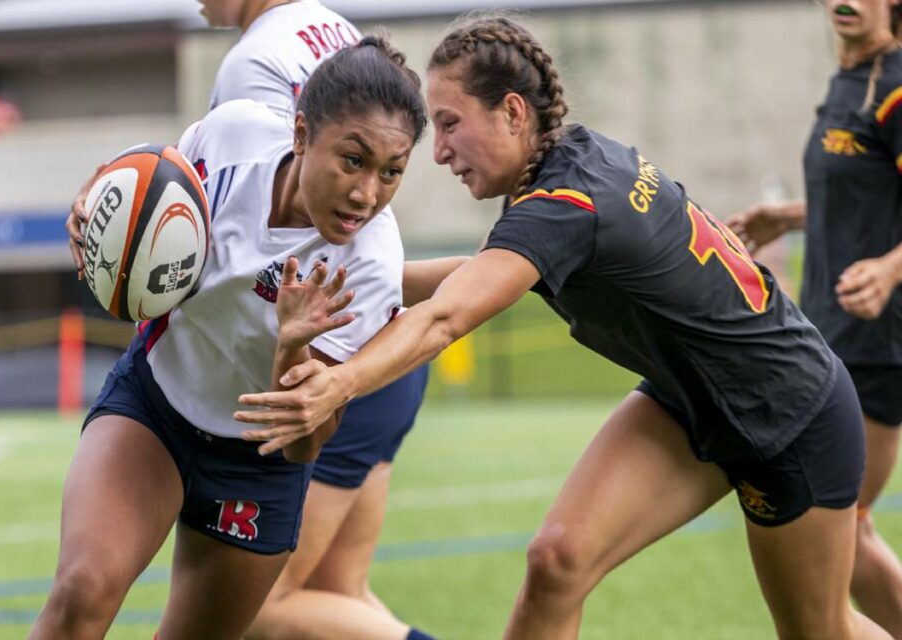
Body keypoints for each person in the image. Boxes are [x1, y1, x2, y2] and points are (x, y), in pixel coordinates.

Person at [234, 14, 894, 639]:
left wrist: (338, 384)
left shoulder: (563, 204)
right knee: (557, 562)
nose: (439, 154)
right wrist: (333, 268)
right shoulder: (574, 165)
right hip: (692, 401)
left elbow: (443, 319)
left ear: (513, 111)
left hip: (792, 417)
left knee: (820, 630)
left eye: (450, 124)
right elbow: (477, 275)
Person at [66, 2, 450, 637]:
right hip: (156, 402)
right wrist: (94, 210)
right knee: (81, 593)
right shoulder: (233, 132)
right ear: (300, 134)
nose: (367, 194)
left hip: (256, 463)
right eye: (353, 160)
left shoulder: (373, 262)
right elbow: (149, 191)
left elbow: (303, 445)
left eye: (391, 172)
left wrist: (292, 350)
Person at [728, 0, 902, 634]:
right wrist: (789, 217)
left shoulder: (897, 85)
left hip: (880, 340)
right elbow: (864, 188)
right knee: (849, 532)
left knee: (841, 527)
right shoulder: (850, 82)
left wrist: (888, 270)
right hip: (828, 330)